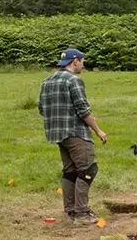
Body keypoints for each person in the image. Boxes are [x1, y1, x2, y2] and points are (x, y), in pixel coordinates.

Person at [38, 48, 107, 224]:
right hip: (76, 133)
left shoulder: (47, 81)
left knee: (70, 172)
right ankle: (82, 214)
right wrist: (98, 130)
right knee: (88, 170)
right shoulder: (74, 80)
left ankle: (70, 211)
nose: (83, 65)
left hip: (57, 135)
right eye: (82, 61)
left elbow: (41, 109)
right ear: (75, 61)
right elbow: (83, 110)